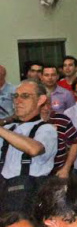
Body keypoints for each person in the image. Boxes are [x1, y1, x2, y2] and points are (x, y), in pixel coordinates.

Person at [0, 80, 57, 213]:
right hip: (4, 194)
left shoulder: (46, 129)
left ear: (40, 100)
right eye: (15, 96)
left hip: (30, 196)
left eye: (25, 96)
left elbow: (34, 149)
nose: (18, 101)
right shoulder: (9, 128)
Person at [40, 94, 77, 178]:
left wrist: (66, 168)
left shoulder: (61, 119)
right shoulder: (27, 122)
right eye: (42, 105)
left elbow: (76, 142)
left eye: (48, 104)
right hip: (34, 175)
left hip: (57, 173)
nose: (46, 108)